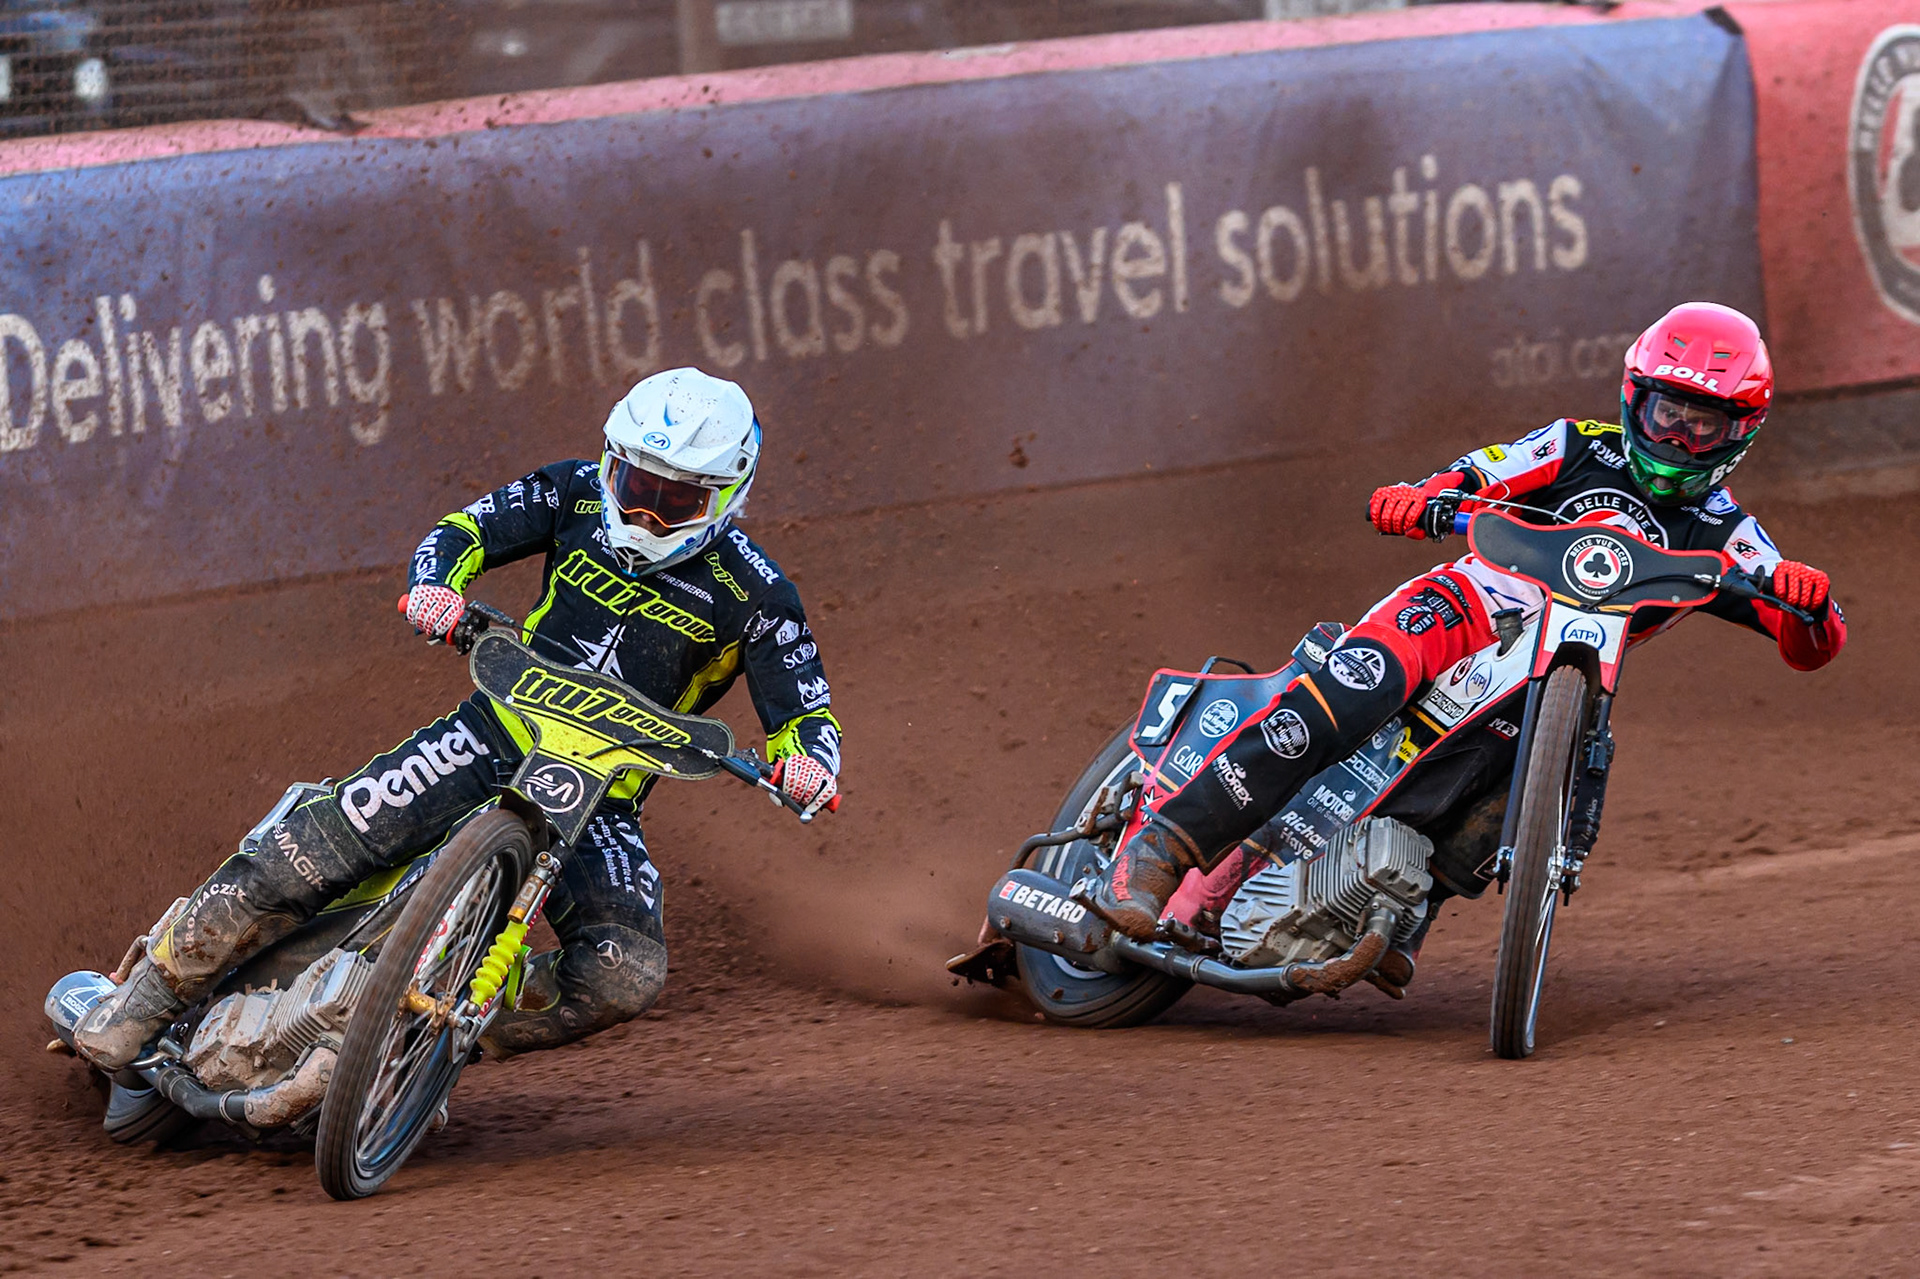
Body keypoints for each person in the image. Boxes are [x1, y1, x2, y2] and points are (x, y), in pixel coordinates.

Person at [75, 367, 843, 1070]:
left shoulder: (757, 593)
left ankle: (422, 1034)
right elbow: (463, 532)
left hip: (603, 798)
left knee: (625, 970)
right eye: (633, 479)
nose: (644, 507)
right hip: (494, 731)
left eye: (676, 498)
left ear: (728, 492)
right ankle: (150, 992)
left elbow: (806, 712)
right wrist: (436, 585)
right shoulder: (572, 491)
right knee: (311, 846)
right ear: (608, 459)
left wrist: (807, 765)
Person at [1085, 302, 1846, 981]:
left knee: (1521, 793)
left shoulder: (1729, 534)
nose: (1675, 435)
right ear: (1632, 399)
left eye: (1699, 423)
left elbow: (1807, 638)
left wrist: (1809, 606)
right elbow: (1475, 474)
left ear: (1736, 434)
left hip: (1555, 673)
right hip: (1464, 605)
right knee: (1352, 691)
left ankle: (1403, 911)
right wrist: (1420, 498)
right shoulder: (1575, 444)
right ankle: (1157, 852)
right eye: (1664, 412)